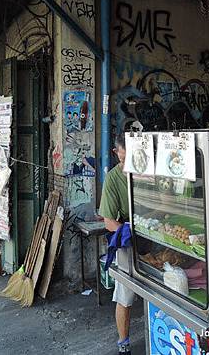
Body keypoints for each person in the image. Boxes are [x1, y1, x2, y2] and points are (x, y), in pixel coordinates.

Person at [98, 133, 134, 355]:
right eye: (124, 155)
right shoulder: (113, 178)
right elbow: (109, 221)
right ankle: (124, 343)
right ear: (116, 152)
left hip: (154, 239)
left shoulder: (145, 171)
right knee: (125, 295)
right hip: (127, 241)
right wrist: (127, 230)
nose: (127, 160)